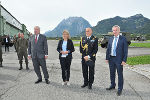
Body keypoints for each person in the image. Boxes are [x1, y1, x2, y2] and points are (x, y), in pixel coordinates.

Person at [106, 25, 128, 96]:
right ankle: (112, 85)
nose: (114, 32)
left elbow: (125, 51)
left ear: (119, 31)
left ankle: (119, 89)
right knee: (112, 73)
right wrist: (107, 58)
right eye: (113, 30)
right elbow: (108, 49)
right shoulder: (111, 38)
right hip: (111, 59)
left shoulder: (123, 39)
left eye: (116, 30)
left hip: (119, 59)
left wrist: (124, 60)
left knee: (119, 74)